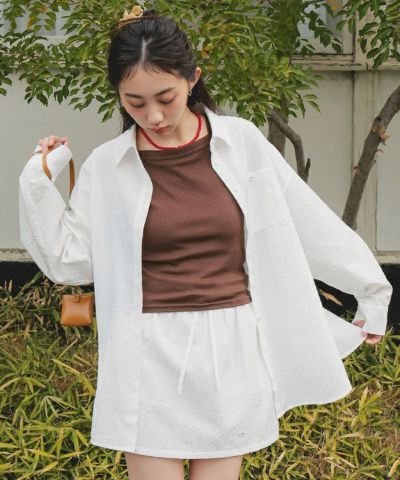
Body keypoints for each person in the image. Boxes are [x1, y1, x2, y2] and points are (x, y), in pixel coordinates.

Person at [19, 5, 392, 480]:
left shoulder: (241, 143)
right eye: (135, 103)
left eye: (165, 97)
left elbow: (305, 220)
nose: (153, 115)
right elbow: (69, 260)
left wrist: (370, 292)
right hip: (145, 354)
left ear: (192, 79)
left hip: (231, 350)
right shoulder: (109, 166)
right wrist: (39, 178)